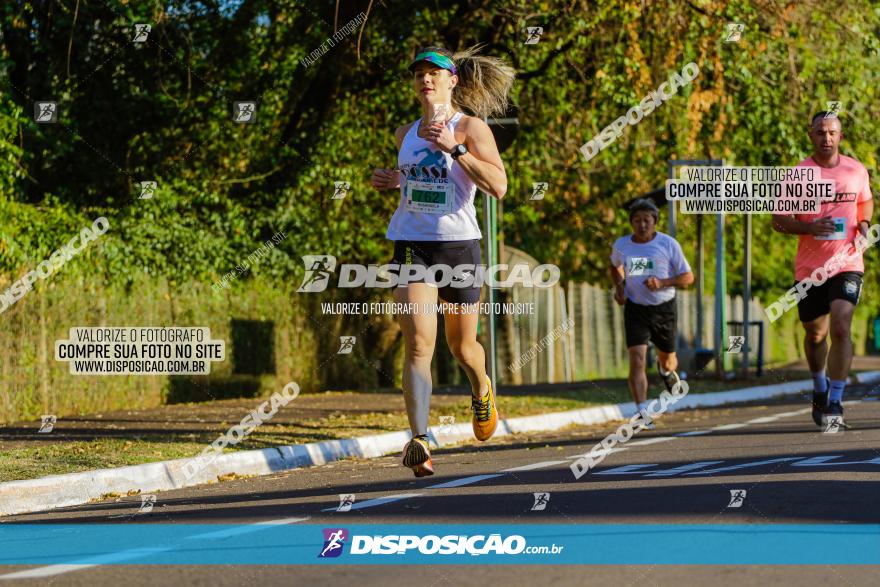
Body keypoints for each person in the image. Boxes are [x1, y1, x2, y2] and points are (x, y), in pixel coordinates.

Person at [370, 46, 514, 476]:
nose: (425, 80)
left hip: (459, 247)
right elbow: (415, 186)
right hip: (412, 244)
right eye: (418, 74)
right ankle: (419, 439)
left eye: (433, 73)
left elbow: (500, 186)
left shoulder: (471, 127)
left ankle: (481, 385)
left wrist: (456, 149)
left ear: (453, 81)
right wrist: (393, 181)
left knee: (462, 348)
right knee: (417, 345)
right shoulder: (404, 133)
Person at [772, 112, 873, 428]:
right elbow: (778, 220)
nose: (826, 137)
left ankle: (836, 401)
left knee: (841, 326)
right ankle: (819, 384)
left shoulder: (856, 170)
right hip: (810, 269)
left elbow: (864, 203)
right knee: (815, 334)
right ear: (810, 135)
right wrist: (810, 227)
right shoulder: (798, 175)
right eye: (820, 132)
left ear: (840, 136)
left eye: (832, 132)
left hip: (848, 262)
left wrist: (865, 225)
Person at [610, 199, 694, 428]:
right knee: (636, 359)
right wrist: (620, 289)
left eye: (646, 219)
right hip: (636, 308)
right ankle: (641, 411)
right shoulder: (622, 245)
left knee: (669, 361)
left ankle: (665, 371)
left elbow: (688, 277)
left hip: (664, 309)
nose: (642, 224)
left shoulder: (668, 244)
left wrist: (662, 282)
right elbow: (614, 266)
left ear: (655, 221)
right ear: (631, 223)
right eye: (637, 220)